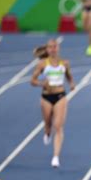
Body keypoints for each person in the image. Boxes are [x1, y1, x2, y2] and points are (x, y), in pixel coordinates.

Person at [31, 39, 75, 168]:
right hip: (46, 97)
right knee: (48, 124)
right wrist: (41, 83)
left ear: (58, 48)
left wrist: (71, 84)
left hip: (60, 95)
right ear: (47, 49)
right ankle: (47, 131)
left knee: (58, 126)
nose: (53, 49)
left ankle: (55, 157)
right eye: (50, 47)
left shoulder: (65, 63)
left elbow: (69, 76)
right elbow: (32, 80)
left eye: (55, 46)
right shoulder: (42, 64)